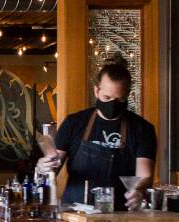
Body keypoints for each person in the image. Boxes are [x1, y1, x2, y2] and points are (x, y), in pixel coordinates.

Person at [37, 56, 156, 211]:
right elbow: (54, 165)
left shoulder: (142, 129)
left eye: (119, 100)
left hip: (119, 214)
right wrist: (44, 167)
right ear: (97, 90)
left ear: (128, 95)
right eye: (107, 97)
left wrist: (139, 190)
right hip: (75, 214)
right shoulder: (74, 123)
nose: (112, 104)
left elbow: (145, 175)